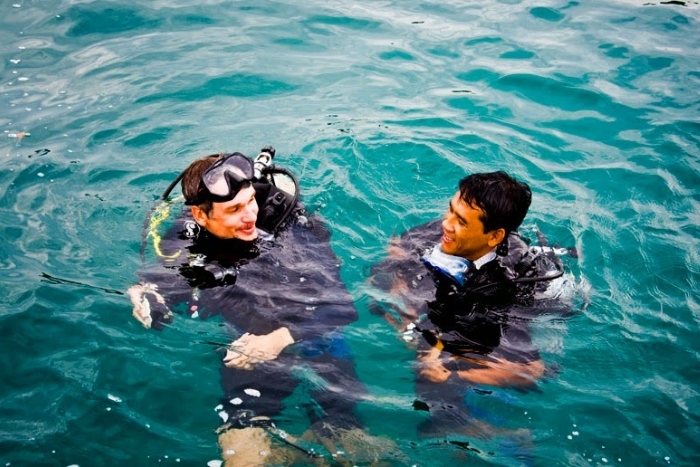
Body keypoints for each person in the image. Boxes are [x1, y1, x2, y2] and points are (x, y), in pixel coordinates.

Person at [128, 148, 373, 466]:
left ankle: (325, 441)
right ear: (201, 216)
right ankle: (288, 453)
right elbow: (162, 281)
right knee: (240, 458)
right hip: (247, 347)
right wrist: (147, 296)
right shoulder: (188, 233)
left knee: (355, 453)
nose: (249, 217)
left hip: (315, 336)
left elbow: (340, 306)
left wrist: (279, 339)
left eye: (250, 202)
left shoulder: (287, 223)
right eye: (233, 210)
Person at [368, 171, 572, 436]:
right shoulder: (443, 230)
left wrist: (454, 374)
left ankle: (498, 434)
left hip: (528, 313)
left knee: (435, 367)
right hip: (458, 292)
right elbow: (395, 250)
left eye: (461, 221)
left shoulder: (504, 288)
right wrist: (404, 307)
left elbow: (533, 370)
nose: (446, 224)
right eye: (450, 210)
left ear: (494, 236)